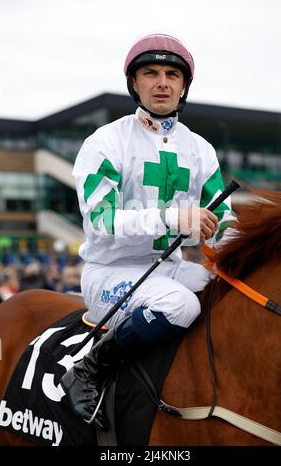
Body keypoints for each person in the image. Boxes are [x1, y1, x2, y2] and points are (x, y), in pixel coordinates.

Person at [60, 33, 236, 430]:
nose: (162, 82)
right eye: (151, 73)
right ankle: (87, 369)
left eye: (172, 74)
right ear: (134, 84)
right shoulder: (105, 142)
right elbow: (101, 222)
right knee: (182, 306)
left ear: (183, 85)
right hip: (111, 273)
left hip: (170, 270)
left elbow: (224, 220)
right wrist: (172, 218)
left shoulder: (201, 150)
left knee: (228, 296)